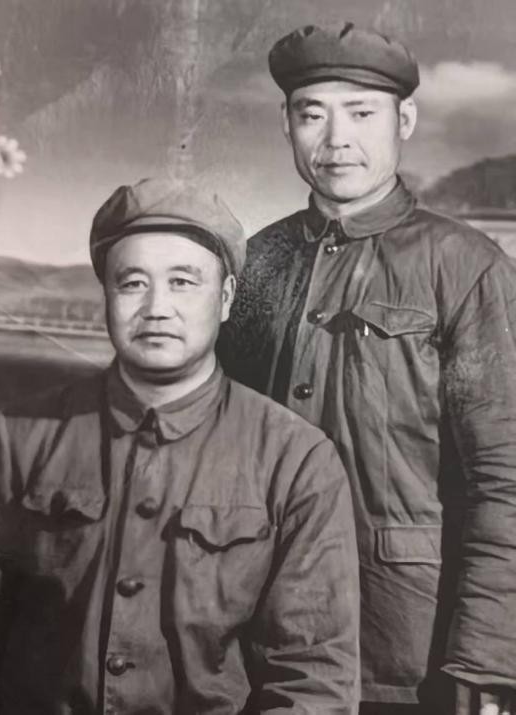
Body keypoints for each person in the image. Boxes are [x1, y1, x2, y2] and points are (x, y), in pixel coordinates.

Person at [218, 22, 516, 715]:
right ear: (286, 125)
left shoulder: (465, 266)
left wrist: (484, 661)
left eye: (360, 113)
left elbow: (505, 477)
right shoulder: (255, 264)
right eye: (311, 115)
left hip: (406, 653)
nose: (335, 140)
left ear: (403, 121)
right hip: (258, 642)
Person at [0, 178, 360, 714]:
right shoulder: (20, 437)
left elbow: (314, 681)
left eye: (183, 282)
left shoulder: (296, 461)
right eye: (132, 283)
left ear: (225, 298)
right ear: (106, 295)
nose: (157, 307)